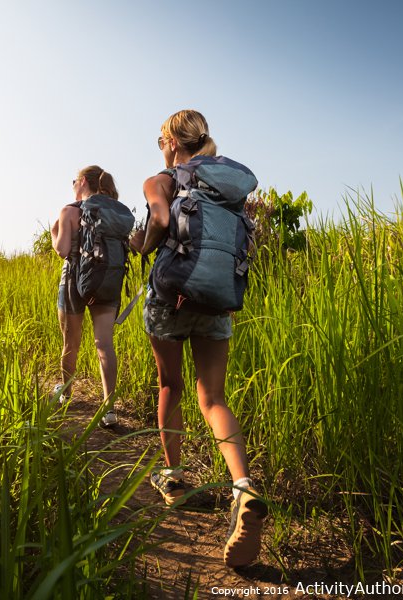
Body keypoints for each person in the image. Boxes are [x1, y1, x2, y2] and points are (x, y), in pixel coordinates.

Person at [129, 110, 268, 568]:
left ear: (171, 140)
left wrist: (140, 243)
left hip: (171, 298)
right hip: (217, 300)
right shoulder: (226, 186)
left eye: (160, 140)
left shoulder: (162, 179)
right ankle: (243, 487)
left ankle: (173, 479)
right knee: (214, 399)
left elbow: (160, 221)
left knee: (171, 386)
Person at [50, 165, 134, 428]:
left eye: (74, 180)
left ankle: (66, 392)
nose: (73, 184)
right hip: (107, 279)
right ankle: (109, 410)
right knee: (104, 344)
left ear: (83, 181)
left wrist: (54, 234)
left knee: (70, 342)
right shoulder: (112, 212)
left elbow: (63, 250)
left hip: (75, 279)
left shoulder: (70, 210)